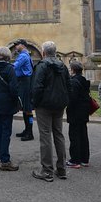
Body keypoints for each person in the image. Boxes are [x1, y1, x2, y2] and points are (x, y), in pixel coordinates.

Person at [30, 41, 70, 182]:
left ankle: (47, 170)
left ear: (43, 52)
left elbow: (37, 87)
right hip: (59, 104)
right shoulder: (63, 66)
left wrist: (35, 103)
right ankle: (62, 169)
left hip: (45, 105)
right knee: (58, 134)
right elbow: (68, 85)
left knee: (45, 135)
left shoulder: (42, 66)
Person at [0, 47, 20, 171]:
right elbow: (13, 88)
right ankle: (5, 160)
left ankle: (0, 157)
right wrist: (15, 100)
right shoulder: (9, 69)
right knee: (6, 131)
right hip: (6, 103)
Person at [65, 61, 91, 169]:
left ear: (73, 70)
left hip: (76, 112)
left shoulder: (74, 82)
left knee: (74, 136)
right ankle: (84, 159)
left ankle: (75, 160)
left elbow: (72, 99)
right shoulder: (84, 80)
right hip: (84, 111)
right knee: (83, 135)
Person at [13, 39, 34, 141]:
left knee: (27, 108)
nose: (16, 47)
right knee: (26, 108)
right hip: (25, 81)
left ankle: (29, 132)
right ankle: (27, 130)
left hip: (24, 82)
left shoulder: (23, 56)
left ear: (23, 45)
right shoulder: (26, 55)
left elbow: (14, 66)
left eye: (17, 45)